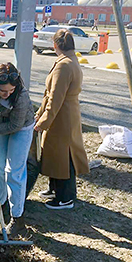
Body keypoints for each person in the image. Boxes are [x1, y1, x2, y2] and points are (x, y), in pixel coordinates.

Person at [34, 29, 89, 210]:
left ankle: (65, 197)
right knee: (56, 154)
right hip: (66, 114)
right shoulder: (72, 61)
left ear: (55, 45)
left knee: (63, 156)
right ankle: (55, 189)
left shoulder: (63, 65)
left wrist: (42, 122)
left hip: (61, 117)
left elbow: (55, 97)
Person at [0, 63, 35, 237]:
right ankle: (0, 208)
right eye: (3, 91)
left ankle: (17, 220)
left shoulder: (20, 95)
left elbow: (15, 125)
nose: (8, 94)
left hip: (22, 128)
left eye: (11, 91)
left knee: (14, 172)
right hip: (2, 124)